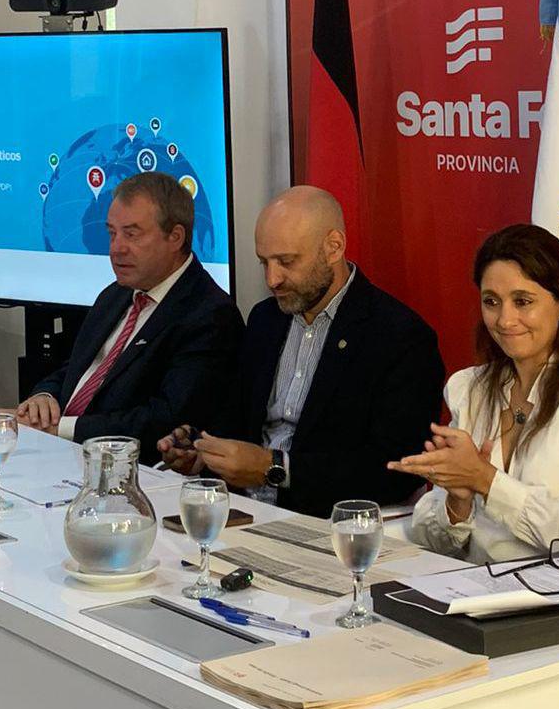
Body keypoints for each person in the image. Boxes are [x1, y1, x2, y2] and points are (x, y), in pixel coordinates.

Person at [158, 185, 444, 518]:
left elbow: (397, 468)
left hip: (326, 522)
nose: (272, 279)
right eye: (264, 262)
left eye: (286, 261)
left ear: (333, 247)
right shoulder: (265, 319)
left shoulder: (400, 337)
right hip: (241, 510)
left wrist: (275, 468)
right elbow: (238, 419)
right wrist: (203, 451)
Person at [391, 224, 559, 561]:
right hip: (474, 584)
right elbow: (431, 536)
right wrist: (458, 501)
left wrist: (487, 482)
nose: (505, 320)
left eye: (522, 301)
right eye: (492, 302)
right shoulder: (471, 389)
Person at [16, 171, 242, 456]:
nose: (116, 249)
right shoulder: (115, 295)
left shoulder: (209, 315)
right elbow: (77, 369)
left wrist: (61, 428)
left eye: (131, 234)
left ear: (175, 237)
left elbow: (166, 418)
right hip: (56, 451)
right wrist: (44, 396)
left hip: (124, 466)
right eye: (112, 233)